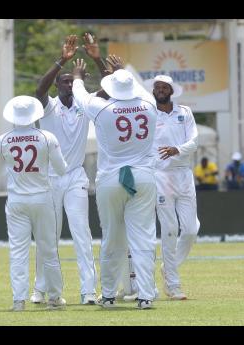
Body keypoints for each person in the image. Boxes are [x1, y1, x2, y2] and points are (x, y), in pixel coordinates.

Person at [73, 59, 159, 309]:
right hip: (143, 176)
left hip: (111, 178)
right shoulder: (149, 103)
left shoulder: (102, 108)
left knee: (112, 238)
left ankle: (109, 295)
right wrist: (120, 70)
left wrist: (78, 75)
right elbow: (140, 89)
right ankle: (145, 296)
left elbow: (80, 95)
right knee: (143, 239)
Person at [31, 34, 108, 305]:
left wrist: (97, 58)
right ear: (57, 84)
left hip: (75, 175)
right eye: (62, 81)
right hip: (50, 177)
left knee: (81, 233)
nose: (66, 84)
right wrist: (62, 60)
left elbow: (109, 90)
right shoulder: (49, 106)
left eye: (70, 80)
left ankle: (88, 292)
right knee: (47, 236)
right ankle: (41, 289)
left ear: (77, 84)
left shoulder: (84, 105)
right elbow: (38, 91)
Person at [0, 95, 67, 311]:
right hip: (42, 197)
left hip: (16, 199)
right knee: (48, 249)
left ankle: (18, 300)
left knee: (17, 251)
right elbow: (61, 169)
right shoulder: (46, 137)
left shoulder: (3, 139)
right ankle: (54, 296)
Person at [143, 74, 200, 300]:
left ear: (171, 90)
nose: (160, 90)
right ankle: (173, 285)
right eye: (157, 87)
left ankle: (169, 267)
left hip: (184, 174)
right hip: (161, 175)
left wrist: (178, 149)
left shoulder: (184, 112)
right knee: (169, 229)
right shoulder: (147, 112)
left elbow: (194, 141)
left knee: (190, 230)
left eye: (164, 87)